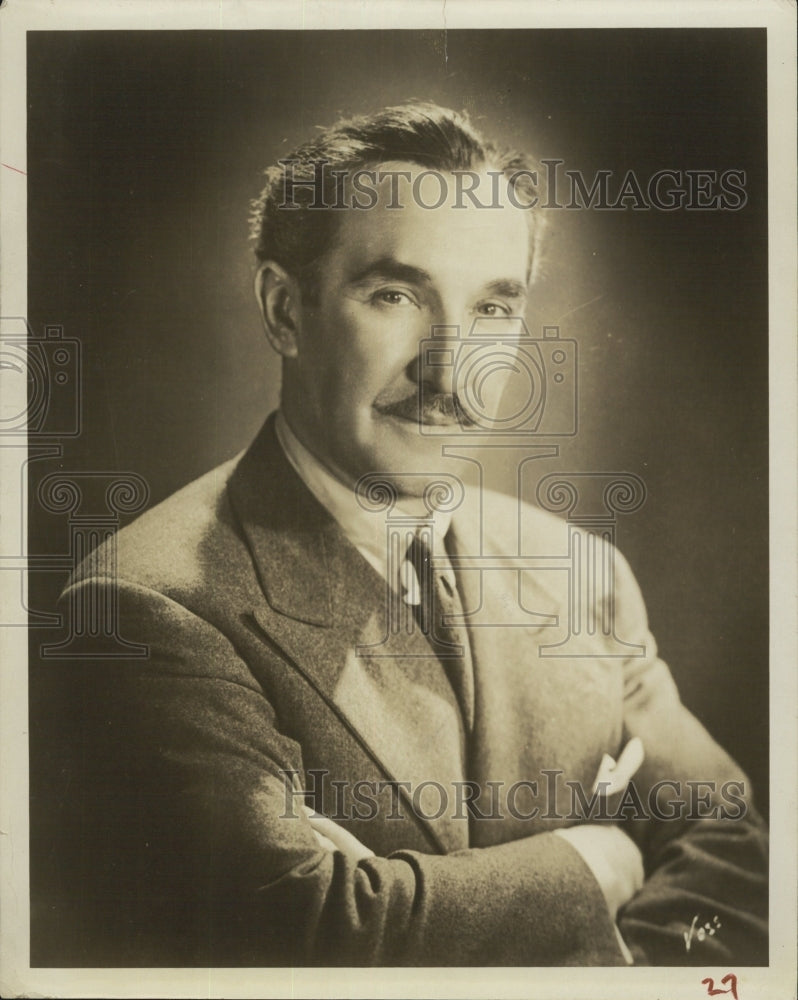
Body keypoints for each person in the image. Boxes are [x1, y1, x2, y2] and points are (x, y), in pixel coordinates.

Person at [35, 102, 767, 967]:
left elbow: (733, 848)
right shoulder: (142, 608)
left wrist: (634, 975)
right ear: (283, 310)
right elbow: (314, 932)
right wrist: (592, 859)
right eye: (394, 295)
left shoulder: (582, 573)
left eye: (493, 310)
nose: (452, 369)